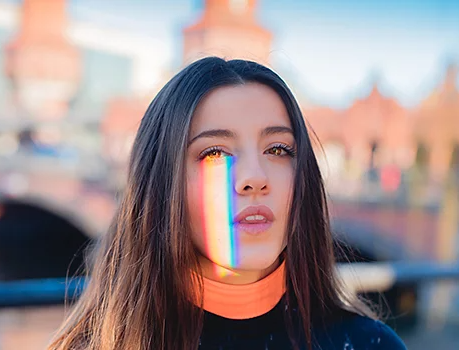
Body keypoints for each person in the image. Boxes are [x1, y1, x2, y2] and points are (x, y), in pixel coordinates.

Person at [48, 57, 407, 350]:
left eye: (278, 149)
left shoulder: (370, 345)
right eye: (215, 152)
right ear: (160, 183)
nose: (254, 176)